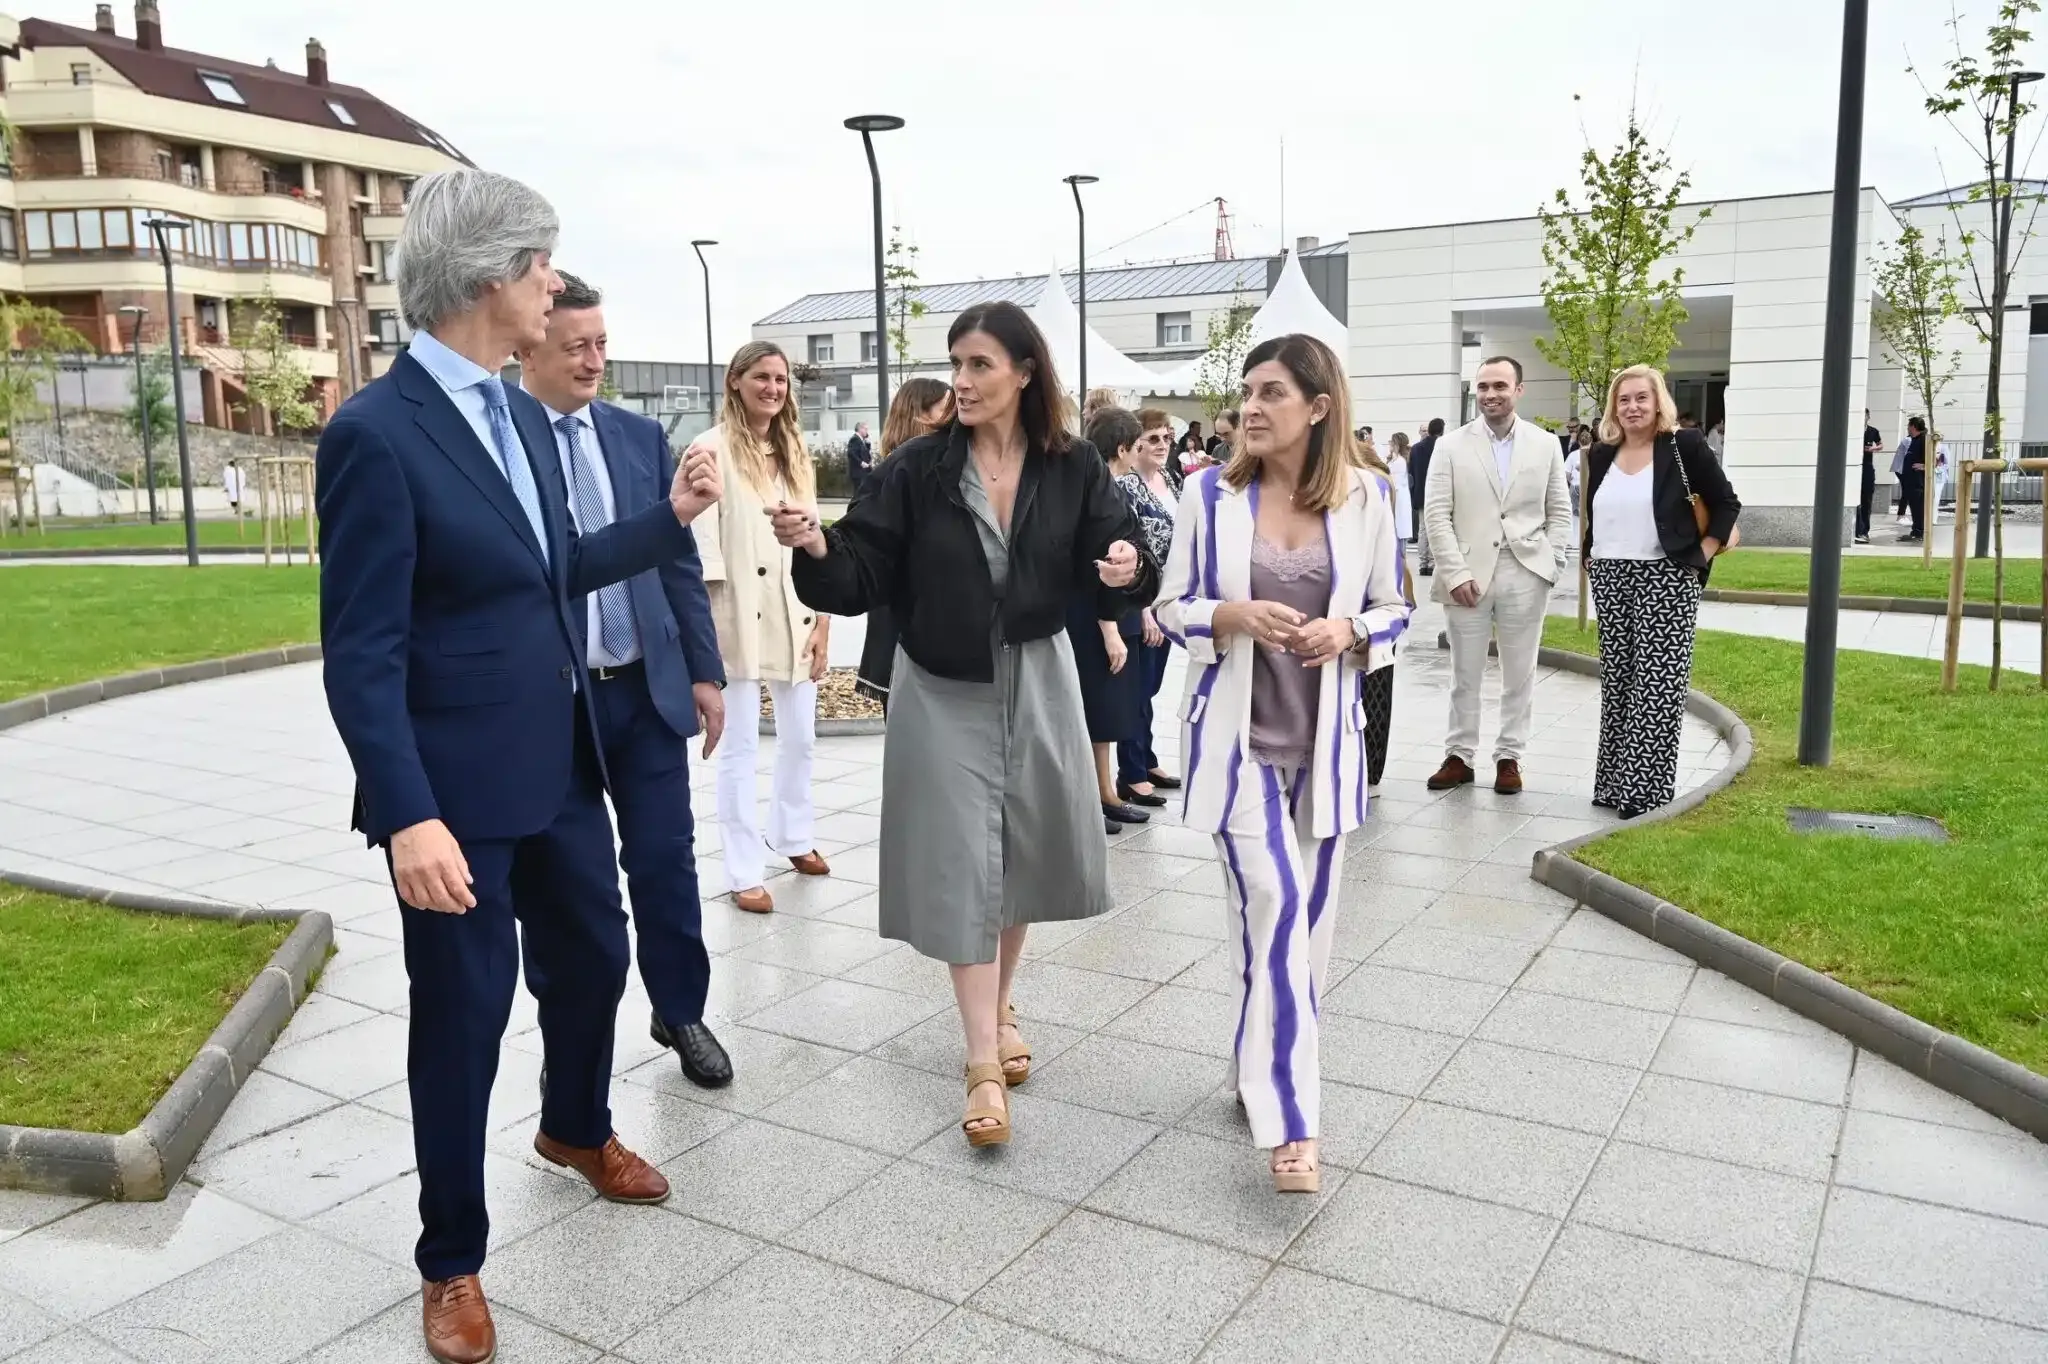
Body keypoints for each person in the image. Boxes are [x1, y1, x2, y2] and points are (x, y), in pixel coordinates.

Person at [316, 169, 717, 1364]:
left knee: (595, 953)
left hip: (558, 769)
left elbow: (554, 568)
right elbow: (361, 654)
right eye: (544, 265)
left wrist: (669, 519)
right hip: (451, 801)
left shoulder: (513, 415)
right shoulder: (375, 434)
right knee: (462, 1016)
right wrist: (407, 817)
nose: (555, 284)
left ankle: (575, 1127)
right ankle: (451, 1260)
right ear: (494, 276)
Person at [770, 300, 1155, 1149]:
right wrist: (817, 545)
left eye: (980, 364)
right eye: (956, 363)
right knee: (959, 858)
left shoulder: (1072, 464)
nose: (963, 380)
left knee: (1017, 850)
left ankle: (1000, 1003)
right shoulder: (917, 469)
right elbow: (861, 568)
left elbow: (1120, 552)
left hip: (1039, 674)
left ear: (1024, 372)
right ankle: (982, 1057)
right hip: (942, 683)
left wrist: (1129, 564)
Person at [1155, 333, 1409, 1194]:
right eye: (1247, 393)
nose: (1252, 409)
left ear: (1319, 406)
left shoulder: (1370, 497)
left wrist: (1352, 631)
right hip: (1234, 745)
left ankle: (1251, 1060)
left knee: (1303, 933)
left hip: (1328, 746)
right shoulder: (1207, 495)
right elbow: (1169, 606)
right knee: (1276, 899)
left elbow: (1395, 607)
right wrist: (1229, 614)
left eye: (1272, 394)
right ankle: (1294, 1122)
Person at [514, 271, 732, 1091]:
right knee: (577, 893)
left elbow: (677, 559)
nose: (596, 360)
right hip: (558, 706)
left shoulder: (640, 439)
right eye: (578, 346)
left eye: (603, 343)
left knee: (666, 862)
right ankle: (571, 1053)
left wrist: (705, 673)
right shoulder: (506, 442)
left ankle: (679, 1008)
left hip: (643, 688)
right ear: (531, 344)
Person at [687, 342, 832, 915]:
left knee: (801, 737)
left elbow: (820, 539)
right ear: (736, 381)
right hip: (737, 616)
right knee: (741, 746)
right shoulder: (709, 449)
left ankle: (793, 835)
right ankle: (744, 866)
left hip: (795, 610)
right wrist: (703, 638)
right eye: (762, 377)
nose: (773, 388)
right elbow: (698, 550)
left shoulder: (794, 448)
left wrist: (823, 621)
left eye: (781, 379)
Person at [1581, 365, 1739, 819]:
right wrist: (1592, 554)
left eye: (1640, 399)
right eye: (1623, 399)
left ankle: (1645, 793)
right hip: (1611, 577)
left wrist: (1700, 557)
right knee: (1620, 683)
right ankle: (1613, 785)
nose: (1632, 407)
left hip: (1666, 576)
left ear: (1657, 402)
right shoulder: (1600, 453)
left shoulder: (1683, 445)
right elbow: (1598, 512)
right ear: (1614, 406)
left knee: (1658, 687)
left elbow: (1726, 502)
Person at [1422, 356, 1573, 795]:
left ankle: (1509, 757)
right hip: (1467, 574)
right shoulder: (1450, 445)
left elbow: (1559, 511)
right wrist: (1453, 573)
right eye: (1483, 386)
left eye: (1500, 386)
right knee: (1463, 673)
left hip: (1526, 570)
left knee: (1519, 673)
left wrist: (1552, 563)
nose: (1491, 394)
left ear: (1518, 390)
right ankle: (1459, 755)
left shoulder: (1545, 444)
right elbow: (1436, 513)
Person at [1068, 406, 1153, 833]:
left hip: (1111, 611)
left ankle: (1104, 792)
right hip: (1090, 613)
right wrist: (1109, 627)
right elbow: (1095, 562)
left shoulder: (1110, 488)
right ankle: (1093, 797)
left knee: (1105, 711)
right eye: (1138, 445)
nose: (1143, 453)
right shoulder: (1092, 487)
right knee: (1093, 709)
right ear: (1121, 448)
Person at [854, 377, 954, 711]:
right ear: (922, 416)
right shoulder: (892, 477)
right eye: (947, 409)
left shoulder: (948, 470)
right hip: (905, 634)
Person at [1117, 408, 1183, 803]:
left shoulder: (1170, 481)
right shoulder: (1127, 487)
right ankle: (1132, 770)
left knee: (1151, 686)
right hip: (1142, 600)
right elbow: (1134, 548)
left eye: (1167, 437)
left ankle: (1148, 757)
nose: (1162, 445)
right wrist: (1145, 608)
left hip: (1168, 597)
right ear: (1135, 443)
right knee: (1137, 688)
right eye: (1153, 438)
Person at [1351, 434, 1411, 791]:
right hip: (1373, 600)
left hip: (1374, 599)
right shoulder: (1374, 472)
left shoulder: (1371, 478)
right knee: (1375, 681)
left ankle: (1369, 767)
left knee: (1374, 681)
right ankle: (1369, 768)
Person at [1409, 417, 1443, 575]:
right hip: (1439, 493)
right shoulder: (1443, 446)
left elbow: (1411, 473)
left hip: (1421, 493)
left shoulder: (1415, 448)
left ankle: (1423, 564)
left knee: (1423, 529)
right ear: (1442, 430)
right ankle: (1433, 562)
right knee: (1438, 527)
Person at [1900, 416, 1929, 543]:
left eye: (1908, 425)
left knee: (1918, 507)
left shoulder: (1923, 440)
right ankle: (1915, 530)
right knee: (1914, 506)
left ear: (1914, 426)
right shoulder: (1915, 440)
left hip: (1917, 482)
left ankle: (1919, 532)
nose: (1907, 428)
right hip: (1911, 481)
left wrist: (1924, 466)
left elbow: (1934, 458)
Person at [1857, 412, 1881, 544]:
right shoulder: (1853, 430)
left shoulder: (1873, 431)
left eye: (1865, 415)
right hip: (1854, 467)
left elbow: (1881, 444)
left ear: (1868, 417)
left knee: (1866, 500)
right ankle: (1856, 530)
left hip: (1867, 467)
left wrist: (1873, 448)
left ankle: (1864, 531)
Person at [844, 420, 874, 494]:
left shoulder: (861, 440)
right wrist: (861, 462)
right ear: (860, 429)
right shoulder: (855, 439)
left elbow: (864, 453)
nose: (867, 431)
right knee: (859, 493)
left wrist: (867, 444)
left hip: (863, 471)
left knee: (862, 492)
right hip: (858, 472)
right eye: (866, 429)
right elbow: (851, 453)